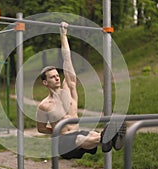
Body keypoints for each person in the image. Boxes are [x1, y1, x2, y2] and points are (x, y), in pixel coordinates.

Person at [36, 22, 126, 159]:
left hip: (78, 134)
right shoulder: (44, 105)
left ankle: (107, 138)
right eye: (52, 77)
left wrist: (63, 36)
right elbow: (41, 128)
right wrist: (56, 130)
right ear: (45, 82)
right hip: (63, 142)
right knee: (80, 138)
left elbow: (67, 59)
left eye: (57, 75)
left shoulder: (69, 90)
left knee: (91, 135)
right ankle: (109, 137)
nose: (57, 78)